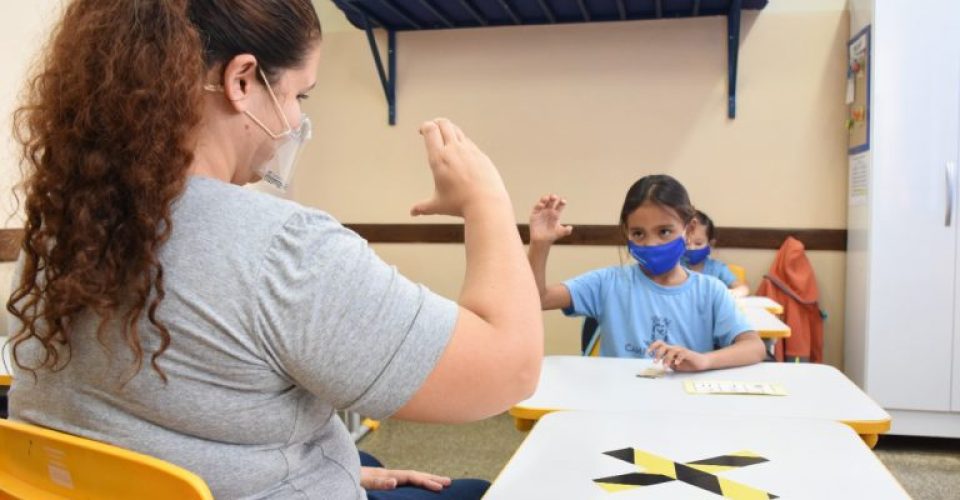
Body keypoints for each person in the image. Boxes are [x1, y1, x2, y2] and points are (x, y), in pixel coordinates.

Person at [5, 1, 543, 498]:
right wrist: (485, 198)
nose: (294, 121)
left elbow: (145, 422)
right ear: (242, 80)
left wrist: (331, 464)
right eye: (298, 95)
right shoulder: (283, 253)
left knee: (370, 454)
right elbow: (509, 370)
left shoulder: (59, 228)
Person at [527, 175, 765, 370]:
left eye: (664, 231)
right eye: (639, 233)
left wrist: (704, 360)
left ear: (689, 229)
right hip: (617, 405)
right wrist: (540, 245)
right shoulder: (607, 283)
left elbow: (754, 347)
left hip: (684, 407)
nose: (651, 244)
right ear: (626, 233)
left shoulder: (710, 290)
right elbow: (538, 299)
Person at [684, 210, 751, 297]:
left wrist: (730, 293)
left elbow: (743, 288)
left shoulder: (717, 268)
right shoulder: (675, 266)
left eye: (698, 243)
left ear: (710, 244)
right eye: (686, 243)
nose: (691, 248)